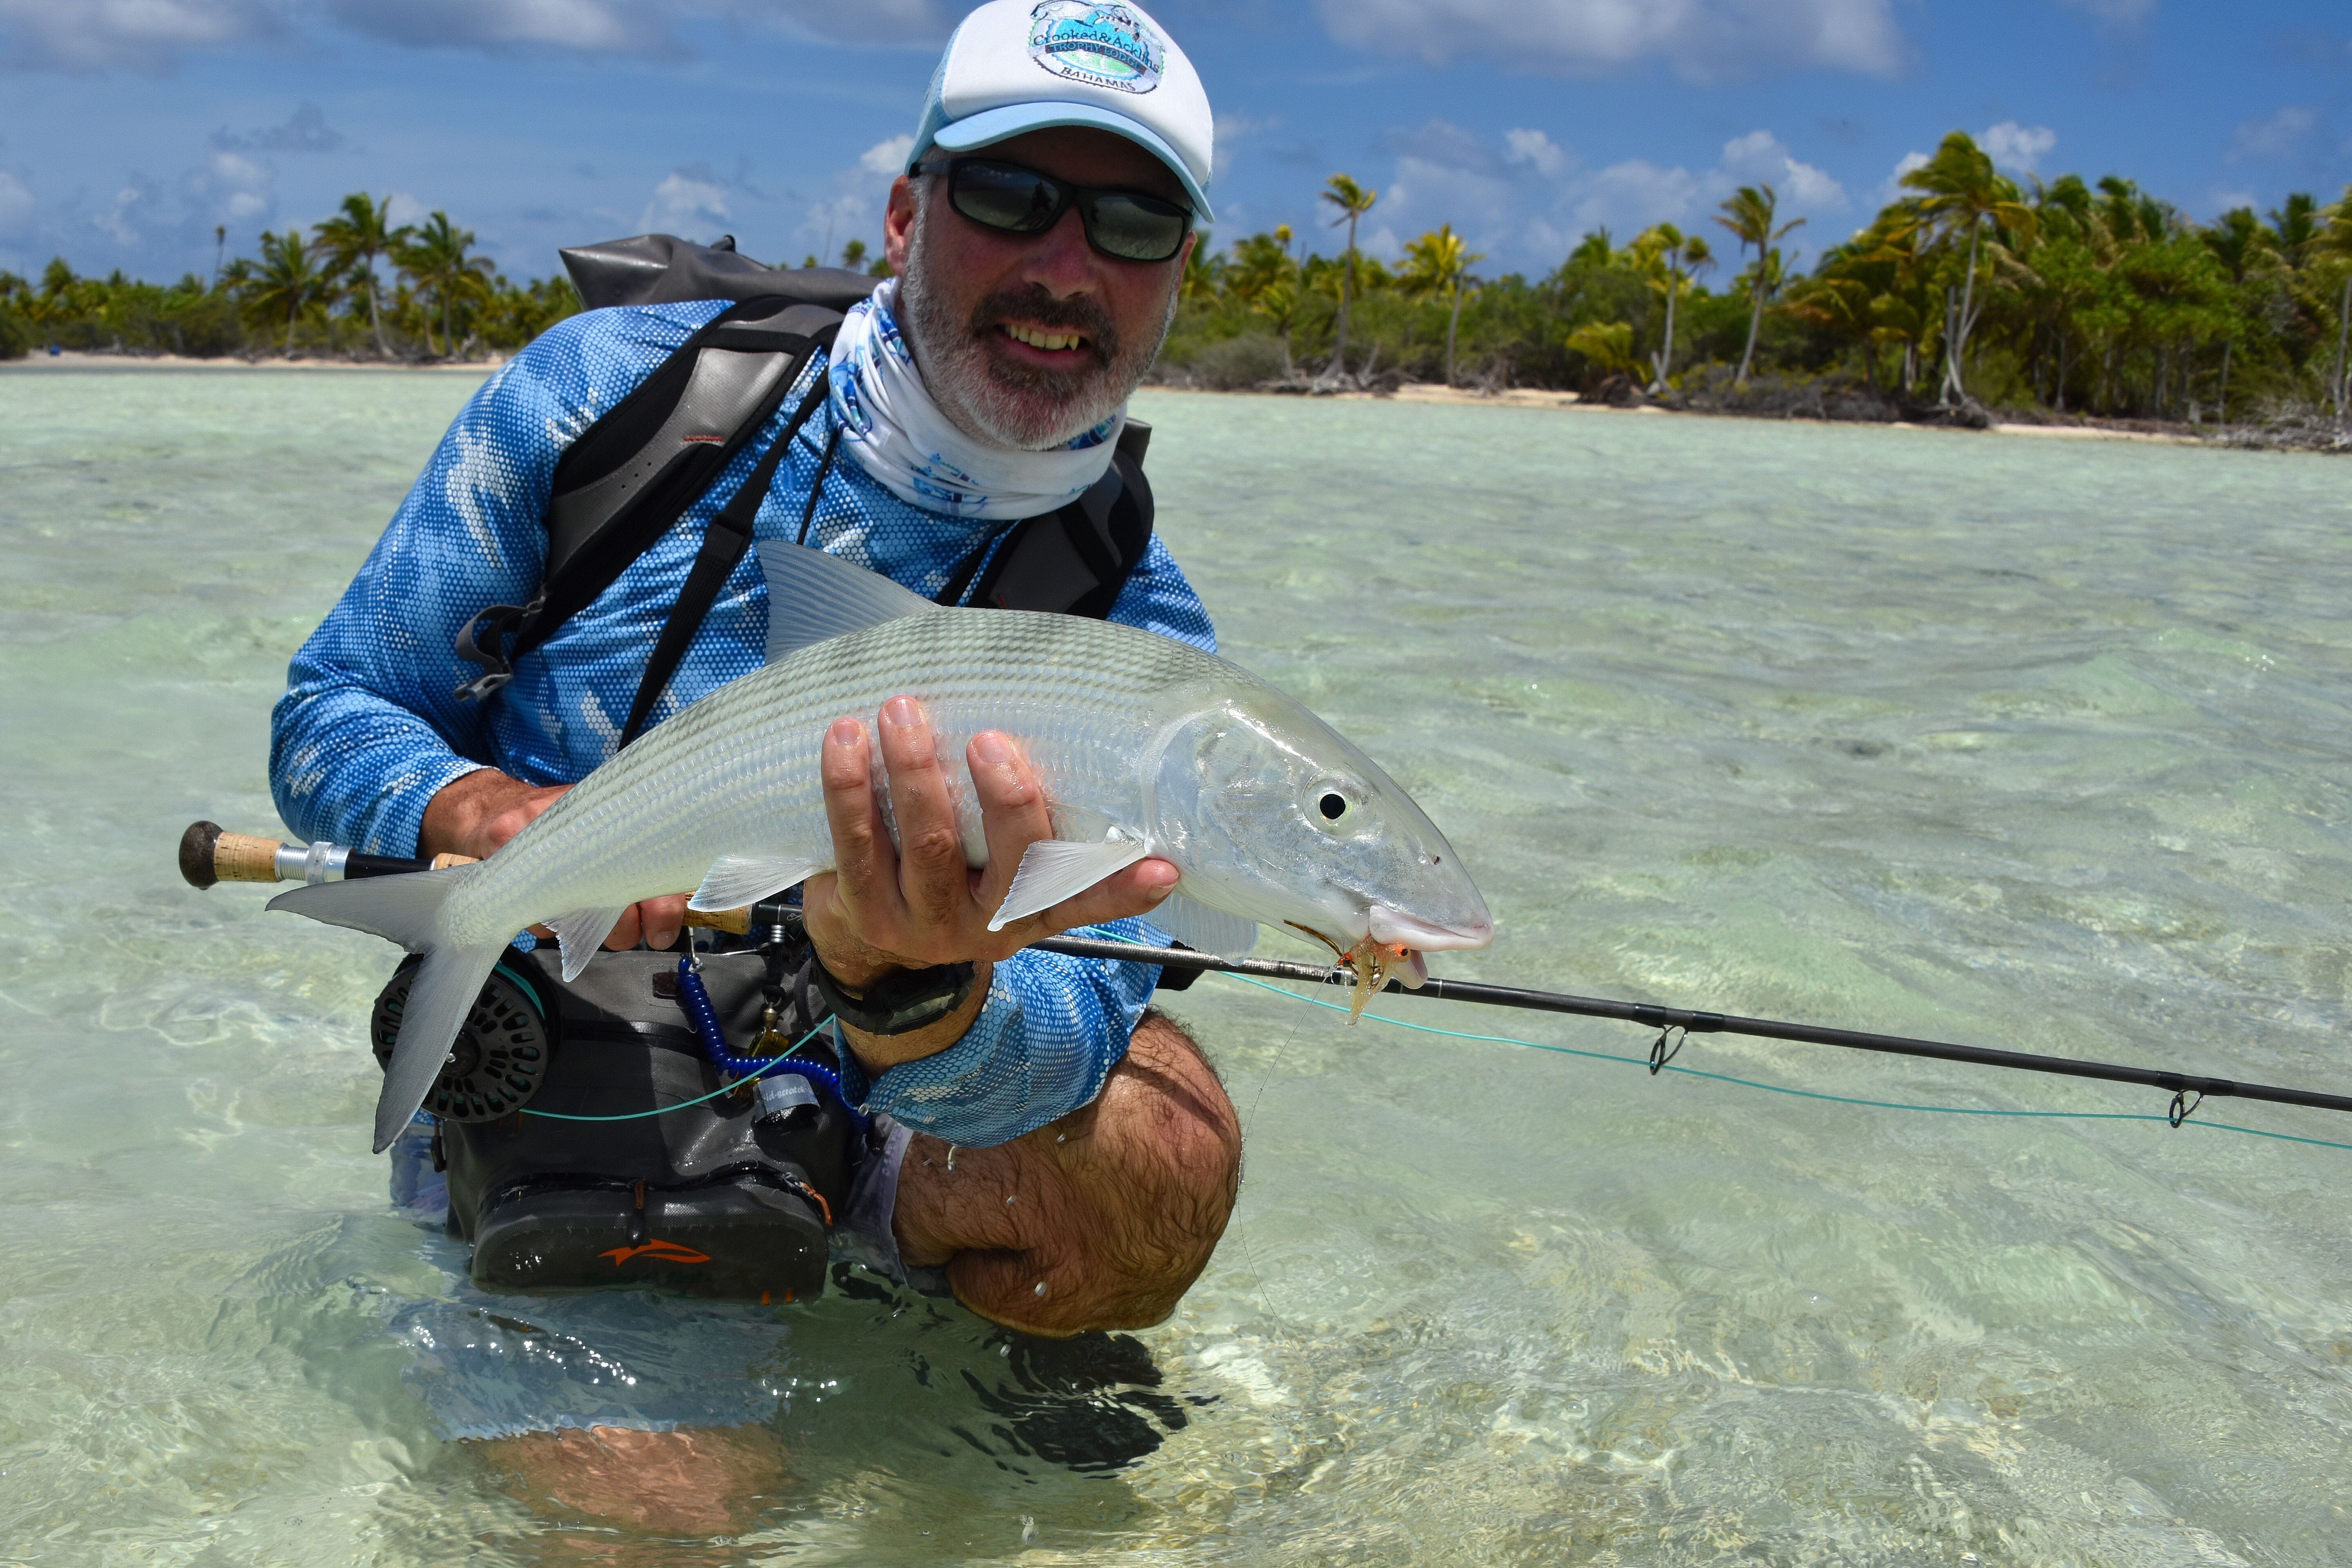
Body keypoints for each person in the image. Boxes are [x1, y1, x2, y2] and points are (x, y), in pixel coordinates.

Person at [270, 0, 1241, 1521]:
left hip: (890, 1096)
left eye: (1131, 220)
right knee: (664, 1527)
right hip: (595, 1071)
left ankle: (953, 1358)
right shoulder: (617, 402)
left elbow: (1081, 1011)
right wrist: (482, 810)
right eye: (1008, 198)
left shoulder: (1140, 626)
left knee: (1171, 1146)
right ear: (908, 208)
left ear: (1179, 271)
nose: (1066, 268)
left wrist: (924, 992)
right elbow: (335, 708)